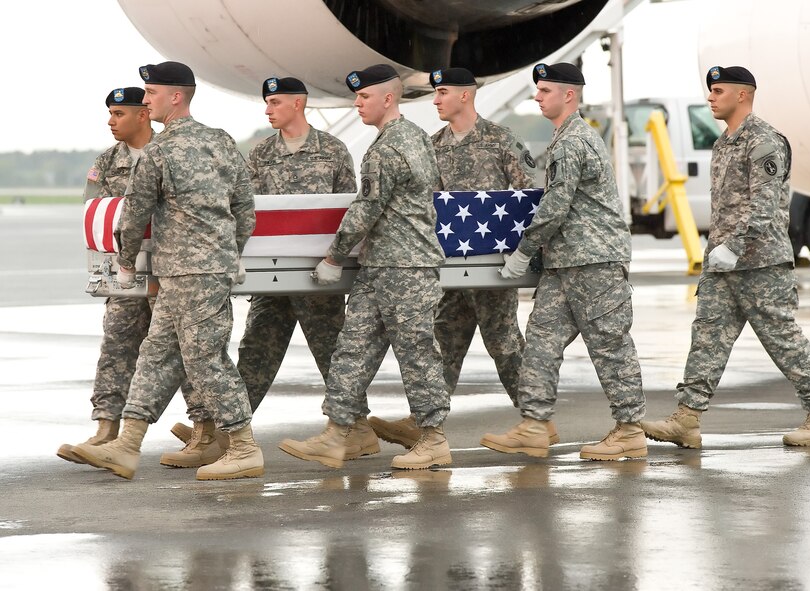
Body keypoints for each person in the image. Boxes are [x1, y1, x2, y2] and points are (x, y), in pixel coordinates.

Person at [73, 61, 263, 480]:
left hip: (189, 274)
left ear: (176, 97)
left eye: (152, 93)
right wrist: (230, 253)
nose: (145, 100)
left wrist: (124, 264)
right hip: (196, 272)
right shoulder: (222, 142)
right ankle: (127, 445)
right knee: (155, 354)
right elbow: (245, 208)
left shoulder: (160, 150)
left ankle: (245, 447)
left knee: (205, 359)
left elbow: (135, 211)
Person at [640, 66, 810, 449]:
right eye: (710, 91)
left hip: (761, 265)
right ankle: (687, 418)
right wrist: (718, 253)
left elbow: (763, 209)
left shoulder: (764, 141)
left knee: (782, 339)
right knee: (707, 338)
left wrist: (733, 248)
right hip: (723, 265)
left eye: (718, 91)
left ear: (742, 95)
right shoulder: (724, 143)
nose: (710, 97)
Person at [164, 76, 364, 466]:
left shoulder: (333, 150)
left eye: (274, 102)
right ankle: (228, 430)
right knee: (256, 349)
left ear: (298, 104)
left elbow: (346, 208)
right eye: (266, 103)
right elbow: (248, 208)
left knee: (332, 351)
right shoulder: (260, 154)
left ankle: (357, 429)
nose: (268, 109)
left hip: (315, 273)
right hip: (271, 274)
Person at [367, 67, 559, 448]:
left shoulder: (501, 140)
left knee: (503, 344)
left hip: (491, 265)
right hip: (451, 263)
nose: (435, 100)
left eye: (442, 92)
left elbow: (527, 198)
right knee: (445, 341)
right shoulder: (433, 144)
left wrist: (525, 256)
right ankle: (423, 422)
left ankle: (538, 420)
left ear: (465, 96)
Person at [277, 64, 451, 470]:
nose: (357, 104)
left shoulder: (388, 147)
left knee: (417, 353)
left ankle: (434, 439)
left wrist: (334, 256)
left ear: (388, 98)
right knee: (352, 350)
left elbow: (365, 209)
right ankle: (338, 434)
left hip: (404, 269)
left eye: (364, 97)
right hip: (382, 267)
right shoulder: (418, 138)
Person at [480, 62, 647, 461]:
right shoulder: (563, 138)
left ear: (568, 95)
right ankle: (535, 425)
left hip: (594, 261)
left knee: (609, 345)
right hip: (565, 261)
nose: (537, 97)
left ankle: (630, 430)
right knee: (541, 340)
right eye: (537, 91)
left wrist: (523, 250)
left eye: (545, 91)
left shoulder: (574, 141)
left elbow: (555, 205)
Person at [58, 88, 214, 466]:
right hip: (126, 275)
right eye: (110, 114)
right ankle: (106, 428)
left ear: (143, 115)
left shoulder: (171, 152)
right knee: (117, 343)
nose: (111, 122)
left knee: (186, 351)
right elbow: (94, 213)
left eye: (118, 114)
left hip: (172, 270)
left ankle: (205, 429)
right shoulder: (107, 162)